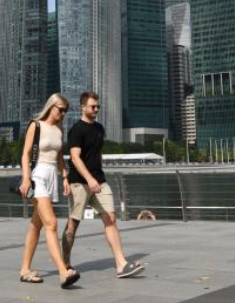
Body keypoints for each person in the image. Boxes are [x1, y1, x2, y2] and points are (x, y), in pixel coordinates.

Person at [62, 92, 146, 278]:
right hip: (79, 183)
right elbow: (74, 157)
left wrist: (97, 176)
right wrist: (89, 179)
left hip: (99, 181)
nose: (96, 109)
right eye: (93, 106)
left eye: (98, 106)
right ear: (82, 107)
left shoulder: (99, 128)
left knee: (110, 218)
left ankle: (121, 264)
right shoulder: (76, 130)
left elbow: (97, 153)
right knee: (73, 224)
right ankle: (65, 264)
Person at [18, 93, 81, 289]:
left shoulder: (58, 129)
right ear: (51, 106)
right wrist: (26, 178)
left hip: (52, 175)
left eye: (65, 111)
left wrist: (64, 177)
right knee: (51, 223)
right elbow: (26, 153)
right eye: (59, 109)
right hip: (38, 175)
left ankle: (24, 270)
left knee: (36, 225)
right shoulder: (35, 125)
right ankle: (63, 272)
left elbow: (59, 156)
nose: (62, 113)